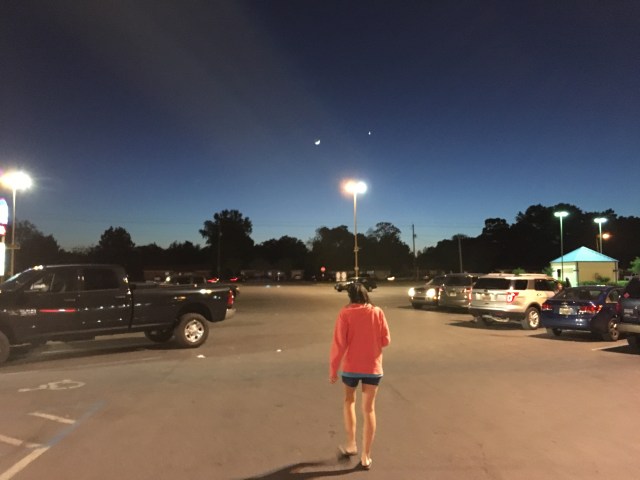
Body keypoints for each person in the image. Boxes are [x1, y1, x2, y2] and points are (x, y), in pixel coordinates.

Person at [329, 282, 391, 470]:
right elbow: (386, 340)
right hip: (372, 367)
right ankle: (366, 456)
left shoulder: (345, 313)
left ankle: (351, 444)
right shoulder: (377, 312)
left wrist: (333, 370)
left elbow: (339, 344)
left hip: (351, 367)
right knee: (369, 409)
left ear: (350, 297)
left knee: (349, 401)